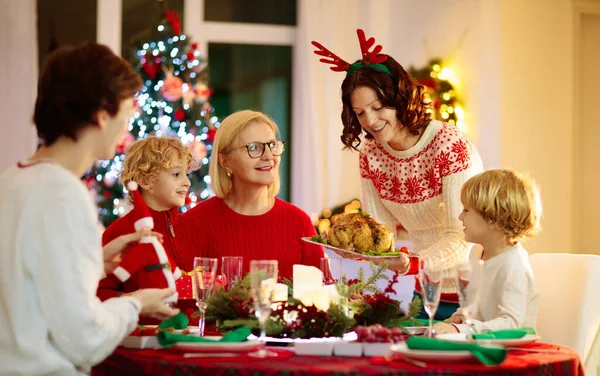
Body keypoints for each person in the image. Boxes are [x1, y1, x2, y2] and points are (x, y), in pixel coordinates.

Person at [0, 43, 179, 376]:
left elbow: (24, 282)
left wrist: (95, 262)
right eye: (126, 113)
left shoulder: (11, 181)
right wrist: (136, 304)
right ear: (101, 114)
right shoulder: (65, 194)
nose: (126, 127)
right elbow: (85, 339)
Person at [312, 29, 484, 319]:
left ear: (399, 98)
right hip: (423, 292)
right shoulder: (371, 154)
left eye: (378, 107)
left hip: (471, 291)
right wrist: (352, 247)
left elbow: (461, 236)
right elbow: (381, 235)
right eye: (360, 113)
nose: (370, 121)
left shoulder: (448, 144)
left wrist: (413, 262)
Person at [177, 110, 324, 280]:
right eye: (254, 147)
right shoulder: (194, 223)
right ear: (225, 161)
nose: (269, 156)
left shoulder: (300, 222)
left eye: (272, 145)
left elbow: (321, 295)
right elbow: (181, 297)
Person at [433, 169, 541, 334]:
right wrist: (460, 317)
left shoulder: (513, 265)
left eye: (467, 210)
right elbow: (473, 306)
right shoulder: (477, 253)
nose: (460, 217)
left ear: (493, 218)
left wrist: (460, 329)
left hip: (511, 352)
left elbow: (511, 323)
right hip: (482, 343)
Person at [97, 136, 194, 303]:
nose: (187, 182)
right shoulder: (119, 234)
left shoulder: (192, 227)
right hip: (144, 328)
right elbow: (98, 293)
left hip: (190, 329)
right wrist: (134, 300)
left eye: (186, 174)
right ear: (145, 180)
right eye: (177, 174)